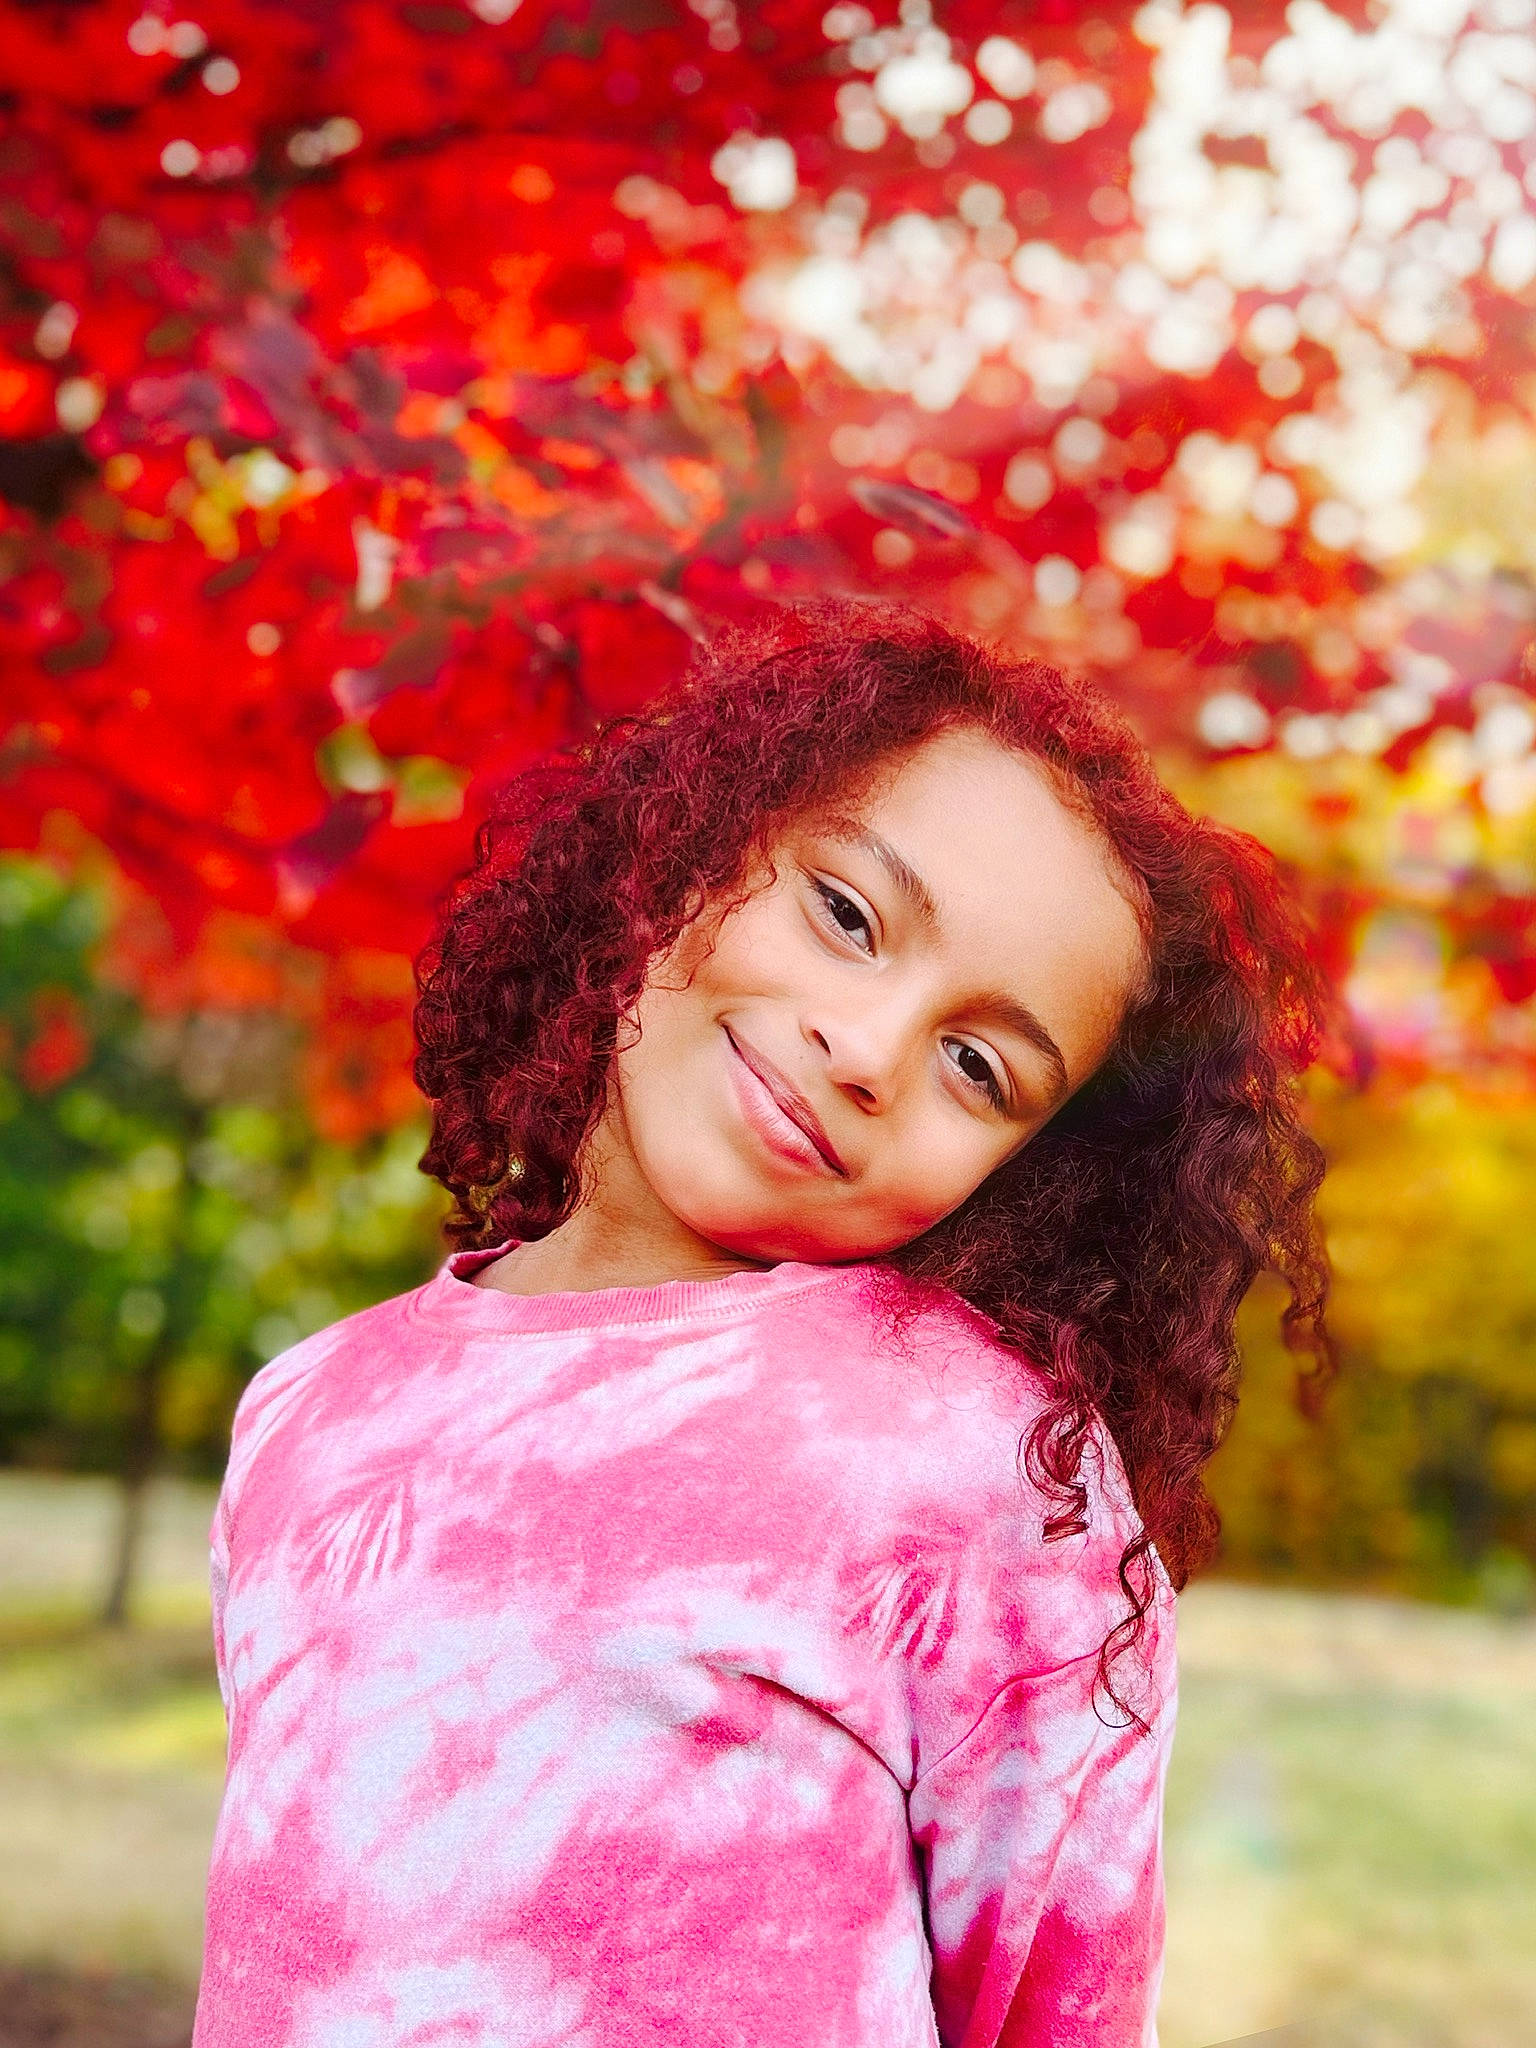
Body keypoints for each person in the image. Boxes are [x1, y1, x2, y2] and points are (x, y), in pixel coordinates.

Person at [193, 609, 1330, 2048]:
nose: (865, 1050)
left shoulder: (977, 1472)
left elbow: (1055, 2011)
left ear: (1028, 1177)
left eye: (976, 1066)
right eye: (847, 916)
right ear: (692, 849)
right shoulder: (310, 1406)